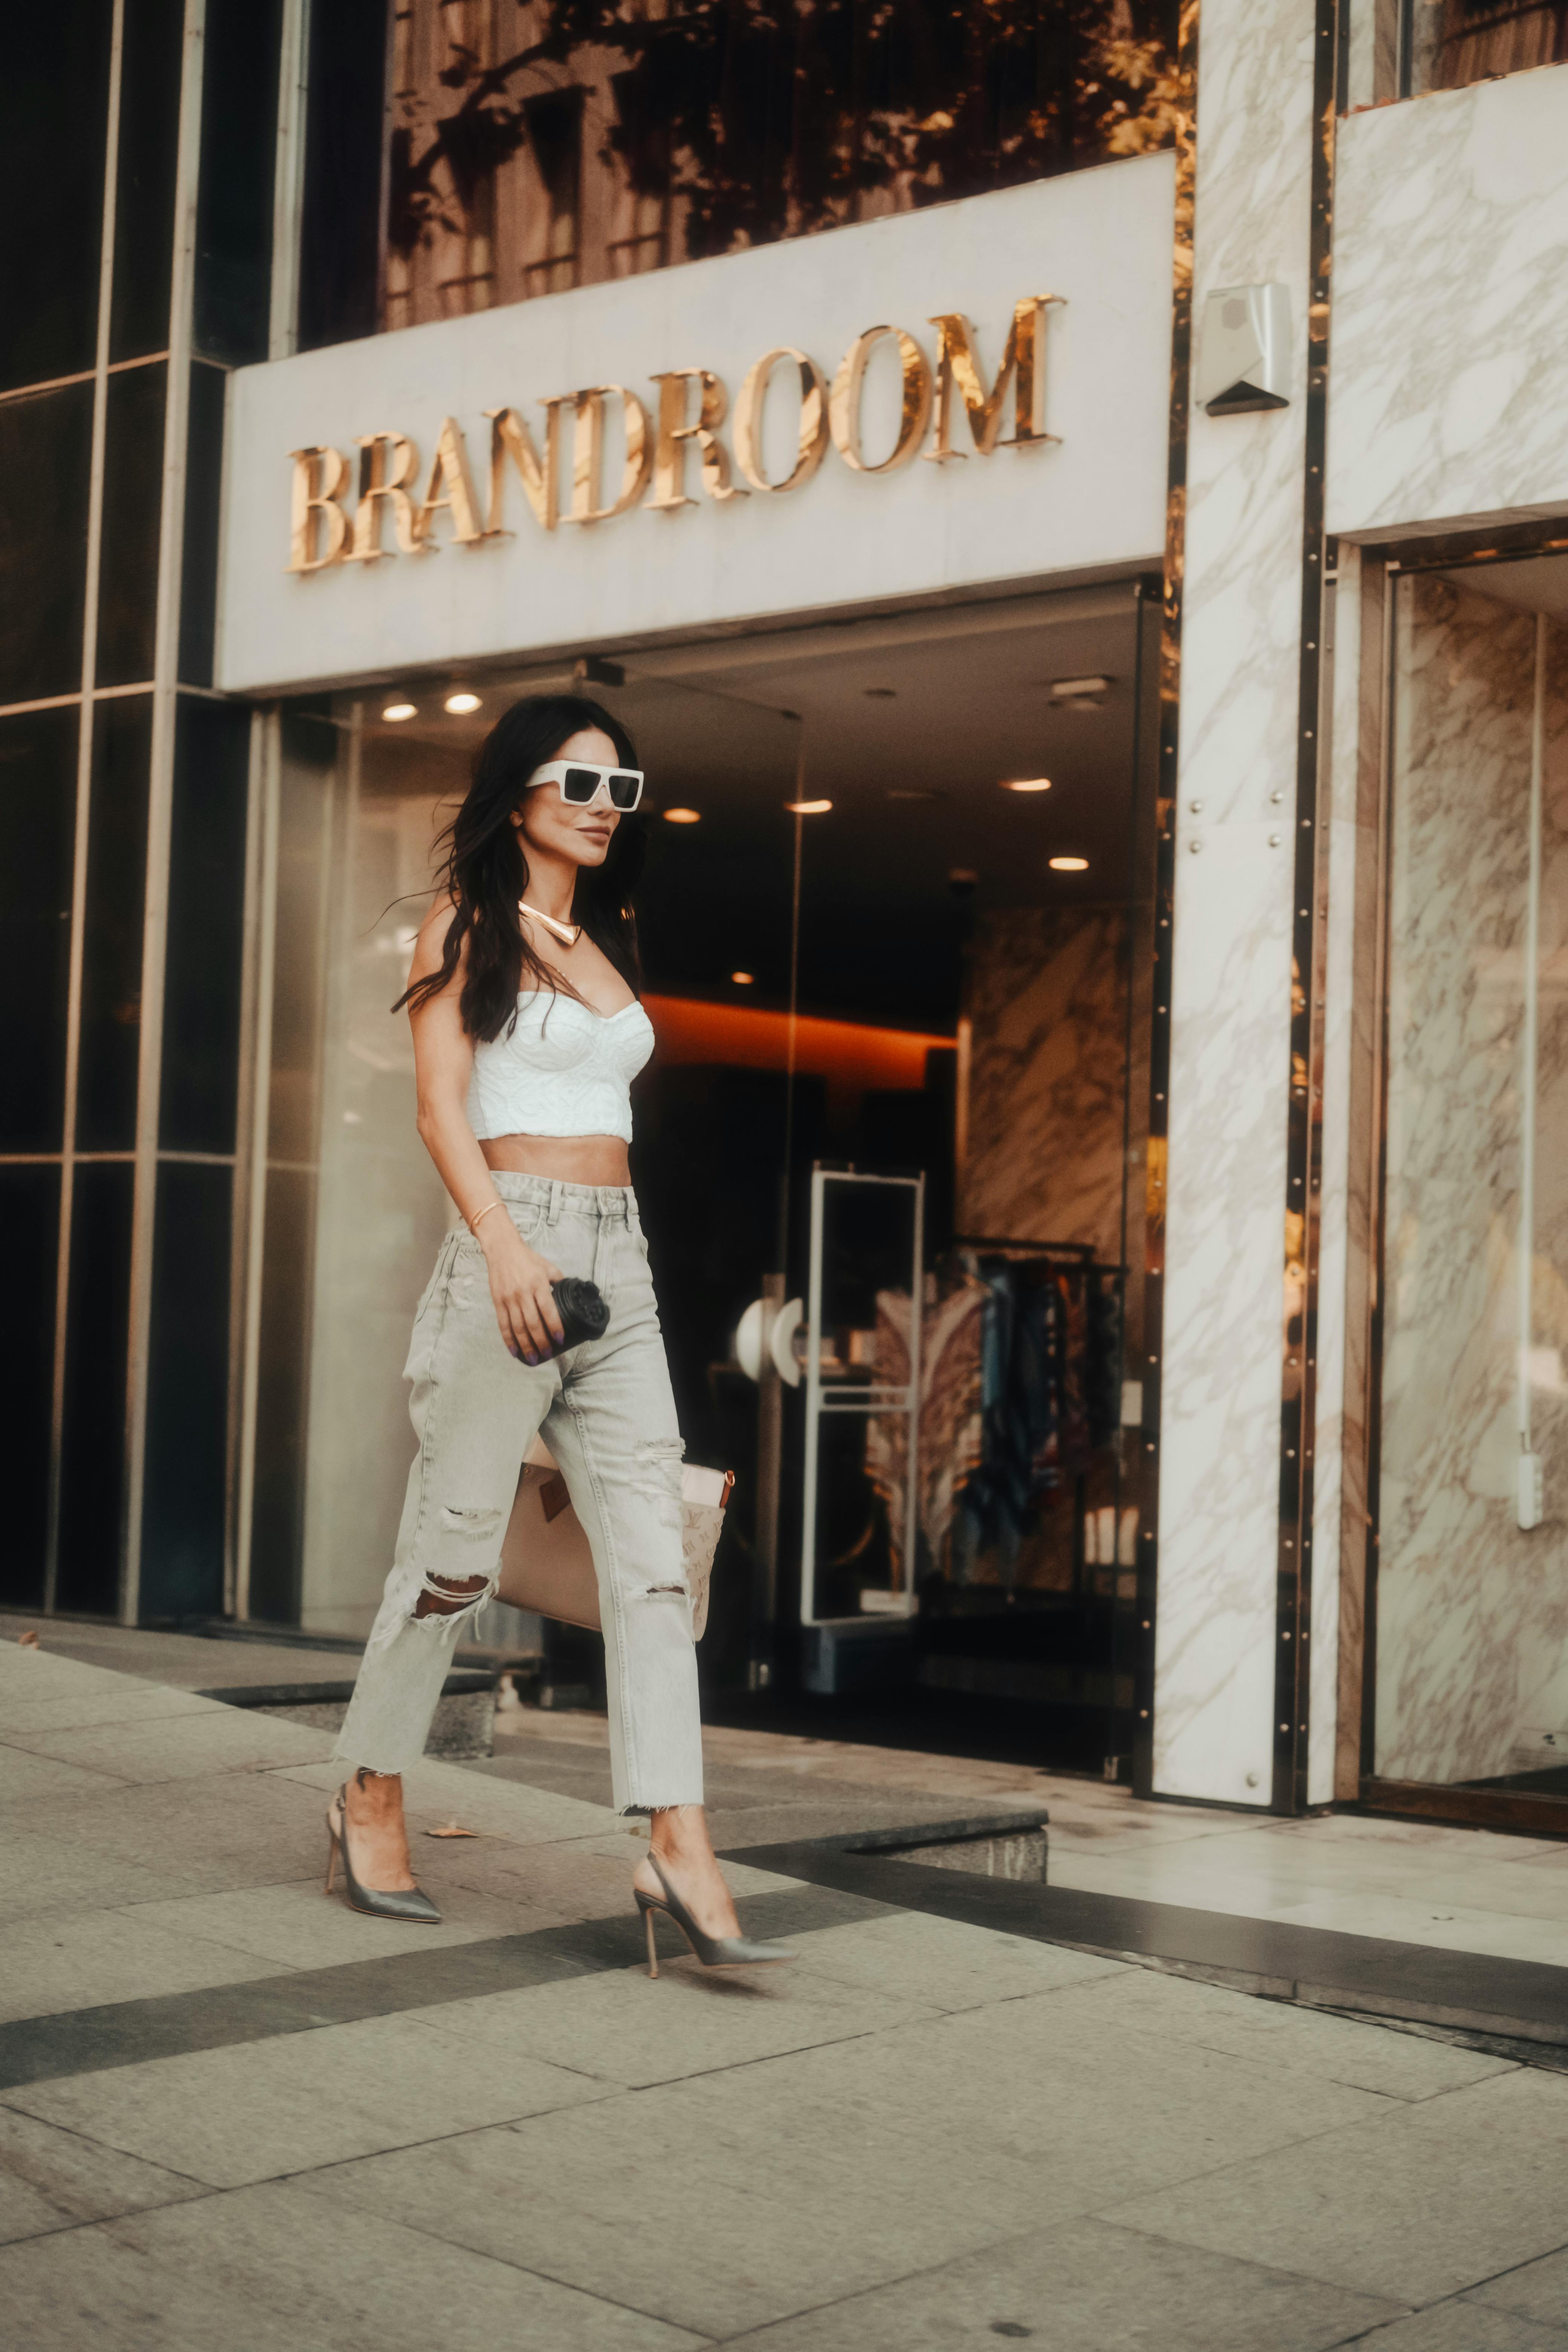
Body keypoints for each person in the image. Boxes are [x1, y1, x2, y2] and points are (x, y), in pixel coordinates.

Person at [325, 694, 790, 1974]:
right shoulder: (464, 925)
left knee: (652, 1558)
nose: (602, 808)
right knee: (456, 1553)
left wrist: (579, 1246)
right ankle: (369, 1787)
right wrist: (503, 1242)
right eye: (579, 783)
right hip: (509, 1249)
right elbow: (437, 1107)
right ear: (518, 791)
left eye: (620, 791)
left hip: (618, 1262)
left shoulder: (599, 938)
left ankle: (676, 1838)